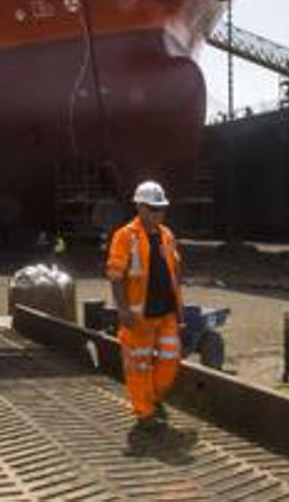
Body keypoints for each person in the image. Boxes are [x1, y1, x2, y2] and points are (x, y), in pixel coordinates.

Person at [105, 180, 184, 435]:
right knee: (139, 366)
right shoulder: (125, 236)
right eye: (152, 208)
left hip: (167, 312)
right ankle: (145, 412)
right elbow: (116, 275)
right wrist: (123, 309)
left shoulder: (167, 234)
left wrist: (179, 303)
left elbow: (175, 269)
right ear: (139, 207)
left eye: (161, 208)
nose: (157, 213)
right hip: (139, 317)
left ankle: (154, 397)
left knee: (170, 360)